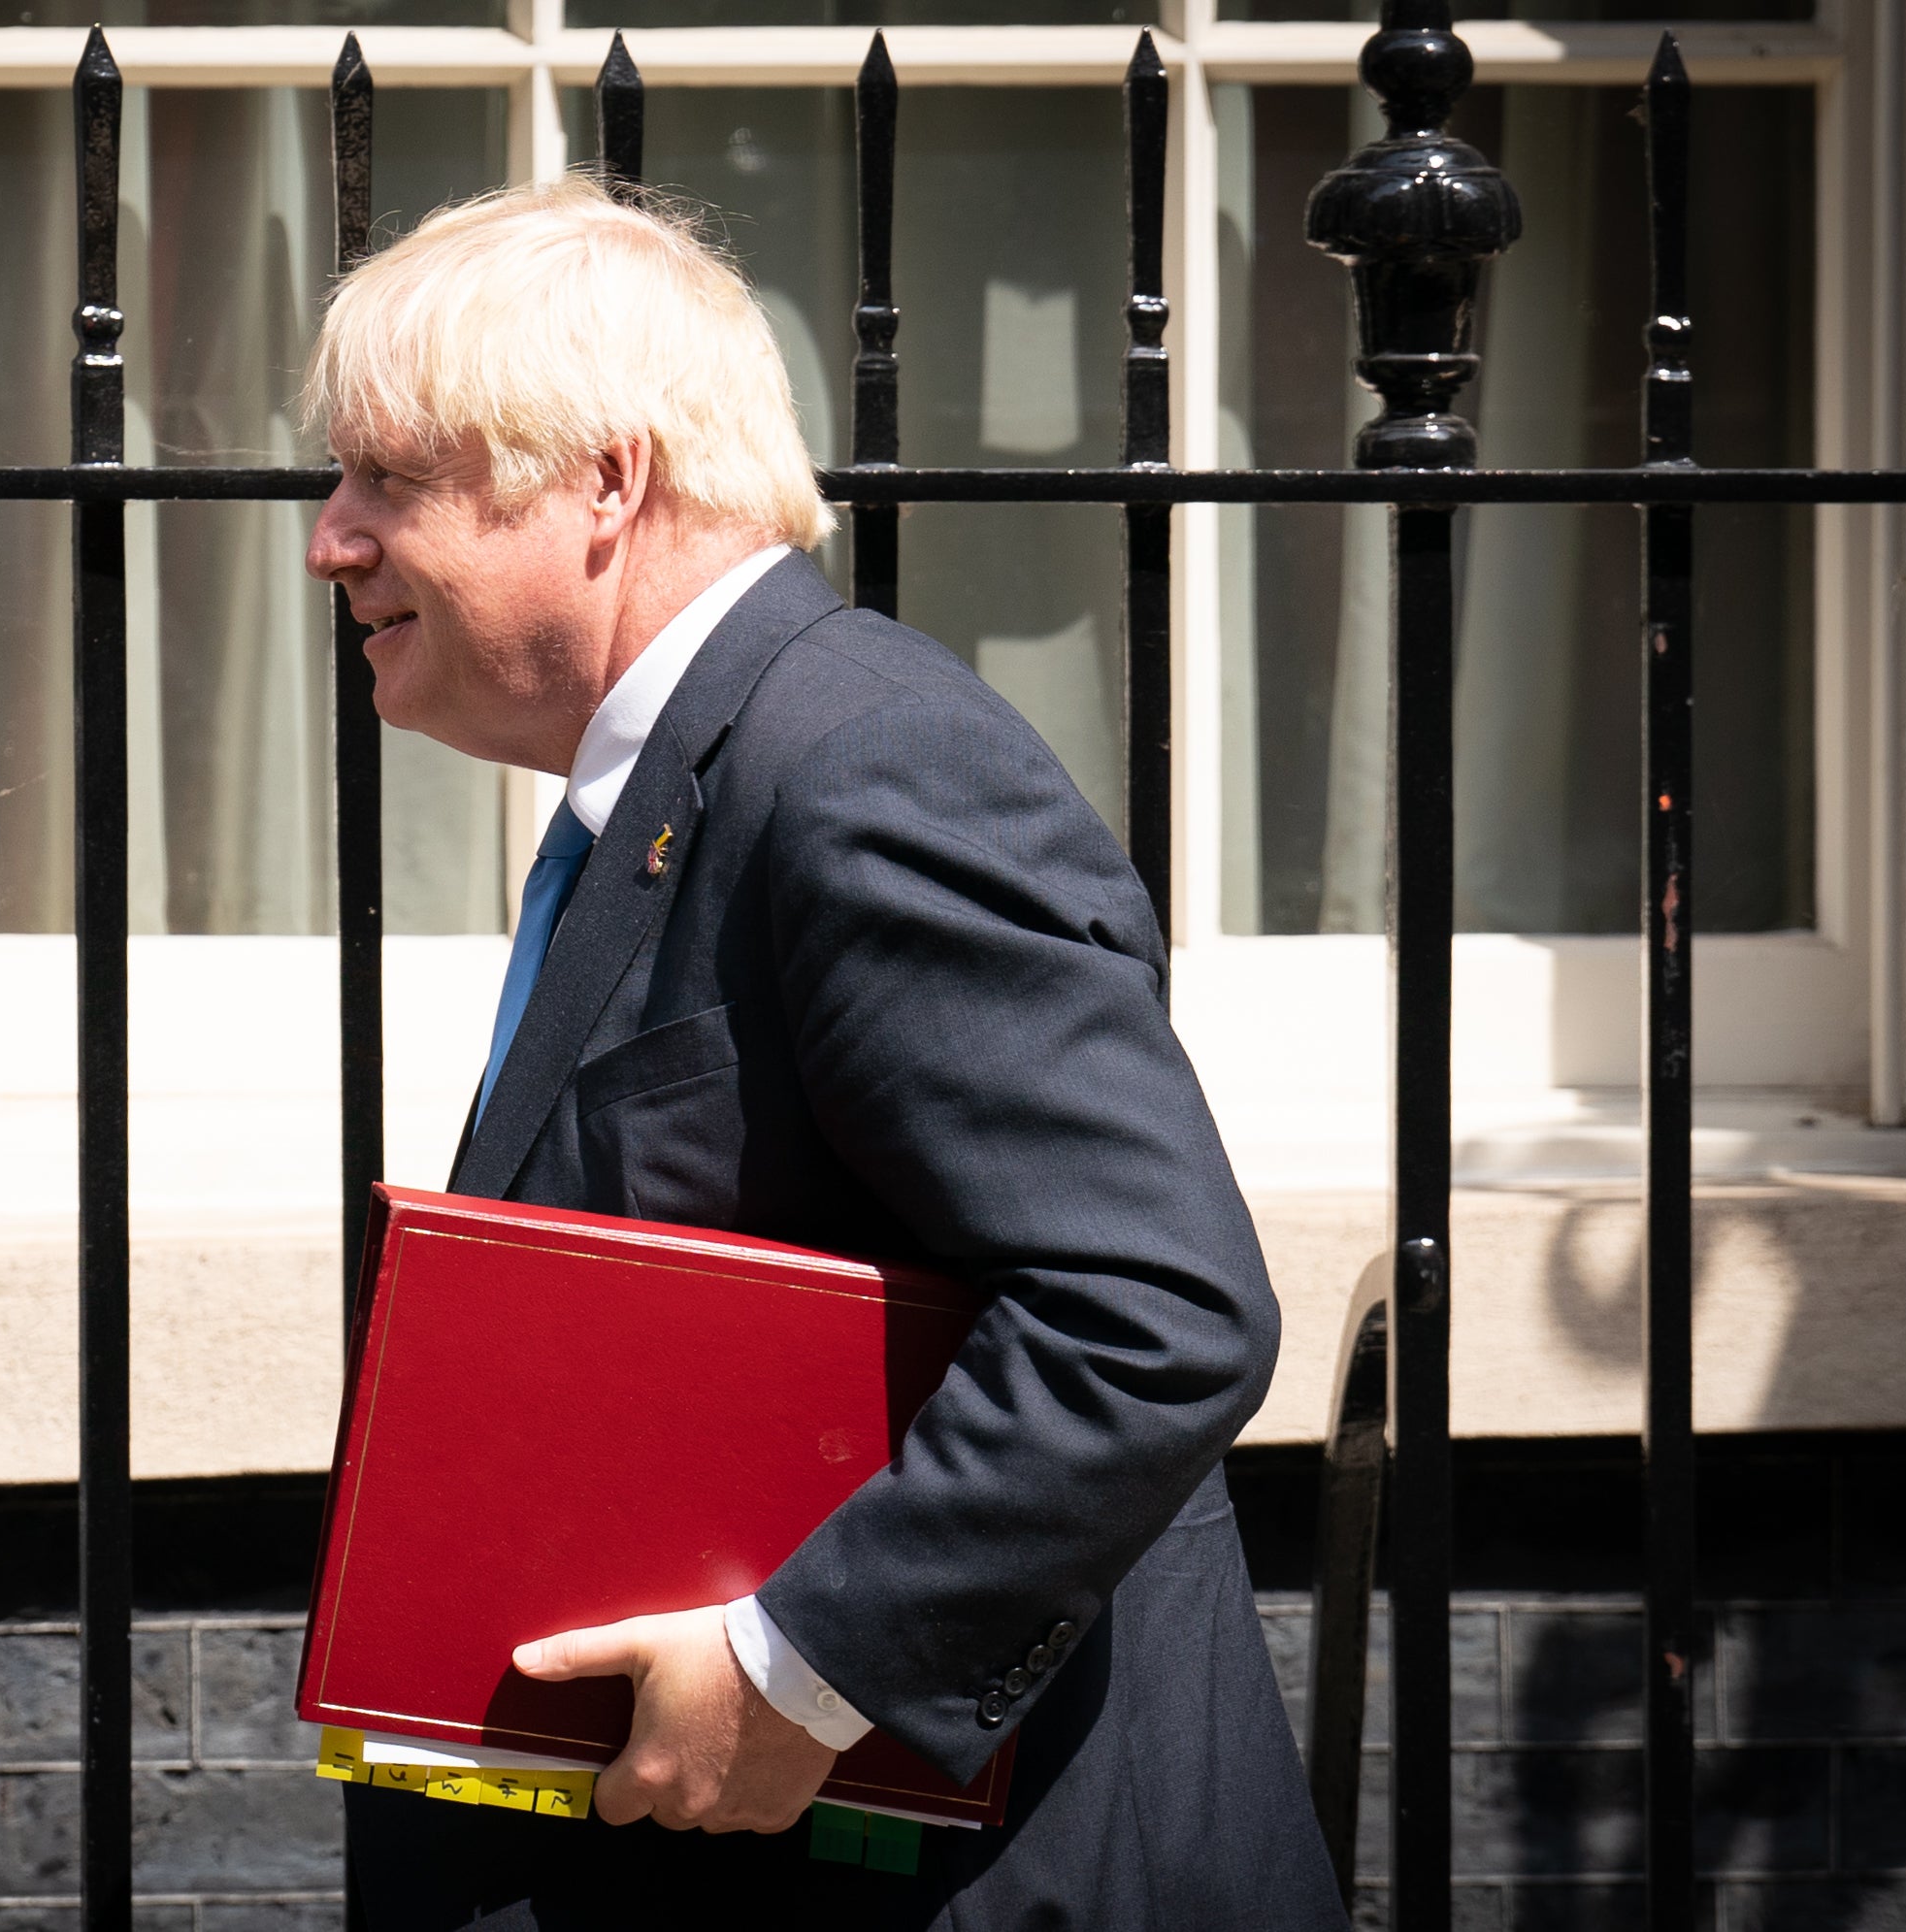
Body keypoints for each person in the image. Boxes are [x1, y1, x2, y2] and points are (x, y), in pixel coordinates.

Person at [302, 173, 1345, 1931]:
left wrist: (802, 1667)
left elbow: (1152, 1313)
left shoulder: (859, 766)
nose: (329, 538)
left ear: (603, 483)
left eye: (384, 480)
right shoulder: (680, 785)